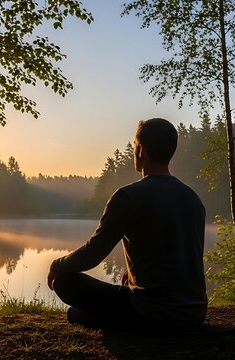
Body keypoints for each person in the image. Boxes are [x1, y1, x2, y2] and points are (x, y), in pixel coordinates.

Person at [47, 118, 207, 329]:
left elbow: (93, 253)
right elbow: (176, 257)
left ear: (140, 149)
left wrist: (57, 264)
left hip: (152, 313)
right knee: (127, 293)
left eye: (134, 144)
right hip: (194, 313)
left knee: (65, 281)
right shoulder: (193, 198)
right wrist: (134, 277)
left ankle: (112, 320)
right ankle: (111, 317)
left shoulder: (128, 197)